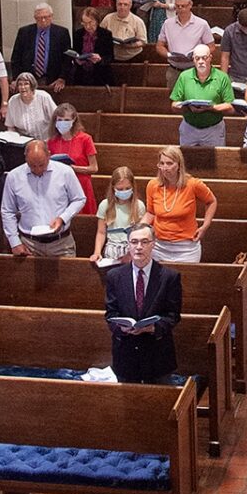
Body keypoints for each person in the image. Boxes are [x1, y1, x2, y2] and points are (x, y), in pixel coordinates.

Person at [104, 223, 182, 385]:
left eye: (144, 242)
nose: (139, 247)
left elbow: (173, 315)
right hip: (126, 355)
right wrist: (121, 328)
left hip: (157, 355)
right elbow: (111, 313)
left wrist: (154, 327)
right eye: (134, 242)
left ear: (153, 244)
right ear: (128, 244)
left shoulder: (169, 277)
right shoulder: (114, 276)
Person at [1, 138, 86, 257]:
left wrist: (62, 218)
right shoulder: (13, 177)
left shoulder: (65, 172)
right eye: (32, 166)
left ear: (49, 155)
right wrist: (14, 242)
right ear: (25, 158)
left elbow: (79, 199)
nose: (38, 170)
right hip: (29, 244)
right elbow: (8, 211)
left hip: (61, 244)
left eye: (42, 165)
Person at [144, 145, 217, 265]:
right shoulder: (153, 185)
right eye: (161, 163)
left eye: (169, 163)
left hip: (186, 247)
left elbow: (211, 201)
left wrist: (205, 225)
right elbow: (150, 213)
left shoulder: (193, 184)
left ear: (179, 165)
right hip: (159, 246)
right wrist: (138, 229)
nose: (165, 168)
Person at [170, 43, 234, 147]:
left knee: (216, 162)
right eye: (197, 58)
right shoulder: (184, 76)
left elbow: (230, 107)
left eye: (204, 58)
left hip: (214, 130)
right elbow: (173, 105)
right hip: (189, 128)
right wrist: (187, 107)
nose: (201, 61)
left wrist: (212, 108)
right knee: (187, 161)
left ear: (210, 58)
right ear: (193, 59)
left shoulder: (222, 77)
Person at [47, 103, 99, 214]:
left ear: (74, 119)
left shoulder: (85, 139)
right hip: (60, 186)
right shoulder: (52, 141)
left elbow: (94, 168)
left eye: (66, 120)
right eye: (59, 120)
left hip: (81, 184)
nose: (62, 123)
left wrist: (73, 168)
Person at [91, 166, 147, 266]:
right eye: (120, 189)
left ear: (133, 187)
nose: (124, 191)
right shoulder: (105, 205)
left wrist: (131, 253)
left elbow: (141, 234)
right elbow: (101, 232)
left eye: (127, 188)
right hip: (112, 248)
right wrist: (97, 252)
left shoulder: (139, 206)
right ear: (113, 188)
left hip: (132, 248)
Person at [9, 4, 69, 91]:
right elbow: (16, 58)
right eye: (39, 18)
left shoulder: (62, 33)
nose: (43, 20)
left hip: (53, 80)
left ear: (51, 16)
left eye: (46, 17)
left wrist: (62, 78)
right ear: (35, 18)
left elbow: (67, 59)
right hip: (28, 79)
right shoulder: (24, 32)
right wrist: (16, 79)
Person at [157, 0, 212, 74]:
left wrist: (199, 54)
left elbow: (211, 46)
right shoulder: (167, 24)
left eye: (183, 6)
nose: (180, 9)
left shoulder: (202, 24)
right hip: (174, 69)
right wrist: (169, 55)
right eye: (177, 6)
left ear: (190, 4)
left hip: (195, 69)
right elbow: (159, 46)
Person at [4, 71, 57, 141]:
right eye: (20, 84)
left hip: (46, 140)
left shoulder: (44, 97)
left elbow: (57, 119)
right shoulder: (13, 101)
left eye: (26, 84)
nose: (23, 87)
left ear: (32, 86)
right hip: (24, 143)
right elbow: (10, 127)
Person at [101, 0, 148, 65]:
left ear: (130, 6)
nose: (122, 7)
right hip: (113, 57)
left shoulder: (138, 21)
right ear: (116, 5)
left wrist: (130, 45)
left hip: (133, 58)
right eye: (120, 4)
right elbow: (100, 35)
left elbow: (143, 42)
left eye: (125, 4)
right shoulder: (108, 18)